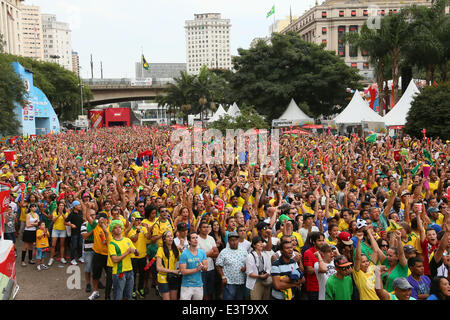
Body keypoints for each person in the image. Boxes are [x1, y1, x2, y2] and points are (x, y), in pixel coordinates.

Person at [108, 219, 137, 300]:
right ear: (112, 231)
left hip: (130, 271)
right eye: (115, 228)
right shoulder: (112, 243)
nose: (118, 229)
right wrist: (127, 252)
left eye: (119, 227)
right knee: (118, 296)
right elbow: (115, 260)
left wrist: (136, 251)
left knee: (128, 296)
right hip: (119, 273)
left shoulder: (127, 240)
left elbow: (136, 253)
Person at [87, 212, 113, 300]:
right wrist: (87, 207)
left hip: (108, 255)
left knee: (110, 275)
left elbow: (109, 241)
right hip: (97, 254)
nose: (99, 220)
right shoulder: (95, 226)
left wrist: (104, 239)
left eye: (101, 219)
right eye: (98, 219)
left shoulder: (110, 228)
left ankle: (108, 294)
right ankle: (95, 291)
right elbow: (87, 216)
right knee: (96, 274)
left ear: (106, 220)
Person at [216, 231, 248, 300]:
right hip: (229, 281)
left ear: (238, 240)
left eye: (235, 240)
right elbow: (218, 265)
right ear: (229, 241)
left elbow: (248, 263)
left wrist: (245, 267)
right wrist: (223, 277)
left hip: (241, 281)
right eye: (232, 240)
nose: (234, 242)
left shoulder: (244, 251)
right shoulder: (224, 252)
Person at [352, 229, 381, 300]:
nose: (366, 263)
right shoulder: (358, 273)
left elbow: (376, 250)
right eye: (363, 262)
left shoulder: (371, 268)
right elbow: (357, 258)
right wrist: (359, 241)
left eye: (367, 261)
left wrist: (370, 234)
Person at [179, 232, 208, 300]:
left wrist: (202, 267)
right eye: (193, 238)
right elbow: (183, 271)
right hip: (187, 286)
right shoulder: (184, 254)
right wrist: (197, 269)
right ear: (189, 241)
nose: (195, 239)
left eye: (196, 237)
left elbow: (206, 268)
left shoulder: (202, 252)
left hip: (199, 285)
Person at [127, 212, 148, 299]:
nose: (139, 221)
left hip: (143, 255)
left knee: (142, 274)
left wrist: (149, 229)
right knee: (133, 275)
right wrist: (138, 231)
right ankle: (132, 290)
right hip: (133, 256)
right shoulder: (130, 230)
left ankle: (140, 289)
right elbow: (134, 240)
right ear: (133, 220)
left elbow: (148, 236)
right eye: (137, 219)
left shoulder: (144, 228)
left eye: (140, 219)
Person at [196, 221, 218, 300]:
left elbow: (216, 253)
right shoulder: (196, 239)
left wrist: (205, 253)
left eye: (207, 227)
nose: (206, 229)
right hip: (201, 270)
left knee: (210, 291)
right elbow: (198, 256)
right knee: (203, 292)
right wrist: (211, 252)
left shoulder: (211, 238)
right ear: (199, 229)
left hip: (211, 268)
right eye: (204, 227)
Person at [156, 230, 180, 300]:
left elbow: (182, 260)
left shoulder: (176, 249)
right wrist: (173, 271)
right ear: (164, 239)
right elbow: (158, 267)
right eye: (168, 237)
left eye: (171, 236)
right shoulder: (160, 249)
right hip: (163, 278)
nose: (170, 238)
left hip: (173, 277)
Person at [246, 236, 272, 300]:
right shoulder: (250, 256)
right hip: (255, 283)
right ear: (254, 245)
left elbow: (268, 268)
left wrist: (267, 274)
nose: (261, 244)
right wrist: (260, 276)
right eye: (259, 243)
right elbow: (249, 273)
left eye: (261, 242)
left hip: (265, 281)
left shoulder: (264, 255)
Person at [303, 231, 325, 300]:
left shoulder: (325, 251)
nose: (322, 242)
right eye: (319, 240)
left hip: (325, 286)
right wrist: (322, 268)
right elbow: (309, 270)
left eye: (323, 240)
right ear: (313, 242)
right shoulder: (308, 253)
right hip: (314, 288)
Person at [48, 200, 69, 265]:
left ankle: (62, 258)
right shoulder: (55, 212)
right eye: (60, 205)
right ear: (58, 206)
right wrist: (59, 214)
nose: (61, 207)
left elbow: (66, 219)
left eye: (62, 205)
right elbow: (53, 220)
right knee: (53, 245)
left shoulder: (66, 212)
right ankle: (51, 258)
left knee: (62, 245)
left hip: (63, 230)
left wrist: (62, 213)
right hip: (55, 229)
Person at [81, 209, 96, 293]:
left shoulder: (97, 223)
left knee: (96, 268)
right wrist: (93, 230)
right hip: (88, 249)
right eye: (91, 215)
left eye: (94, 214)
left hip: (97, 249)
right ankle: (88, 283)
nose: (93, 216)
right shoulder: (84, 224)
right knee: (88, 268)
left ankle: (96, 281)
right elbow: (85, 236)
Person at [66, 200, 84, 265]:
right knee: (74, 246)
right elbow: (65, 222)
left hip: (81, 232)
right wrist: (71, 225)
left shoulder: (81, 212)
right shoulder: (71, 214)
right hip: (74, 233)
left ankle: (80, 257)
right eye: (79, 205)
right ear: (75, 206)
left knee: (80, 245)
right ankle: (72, 259)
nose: (80, 206)